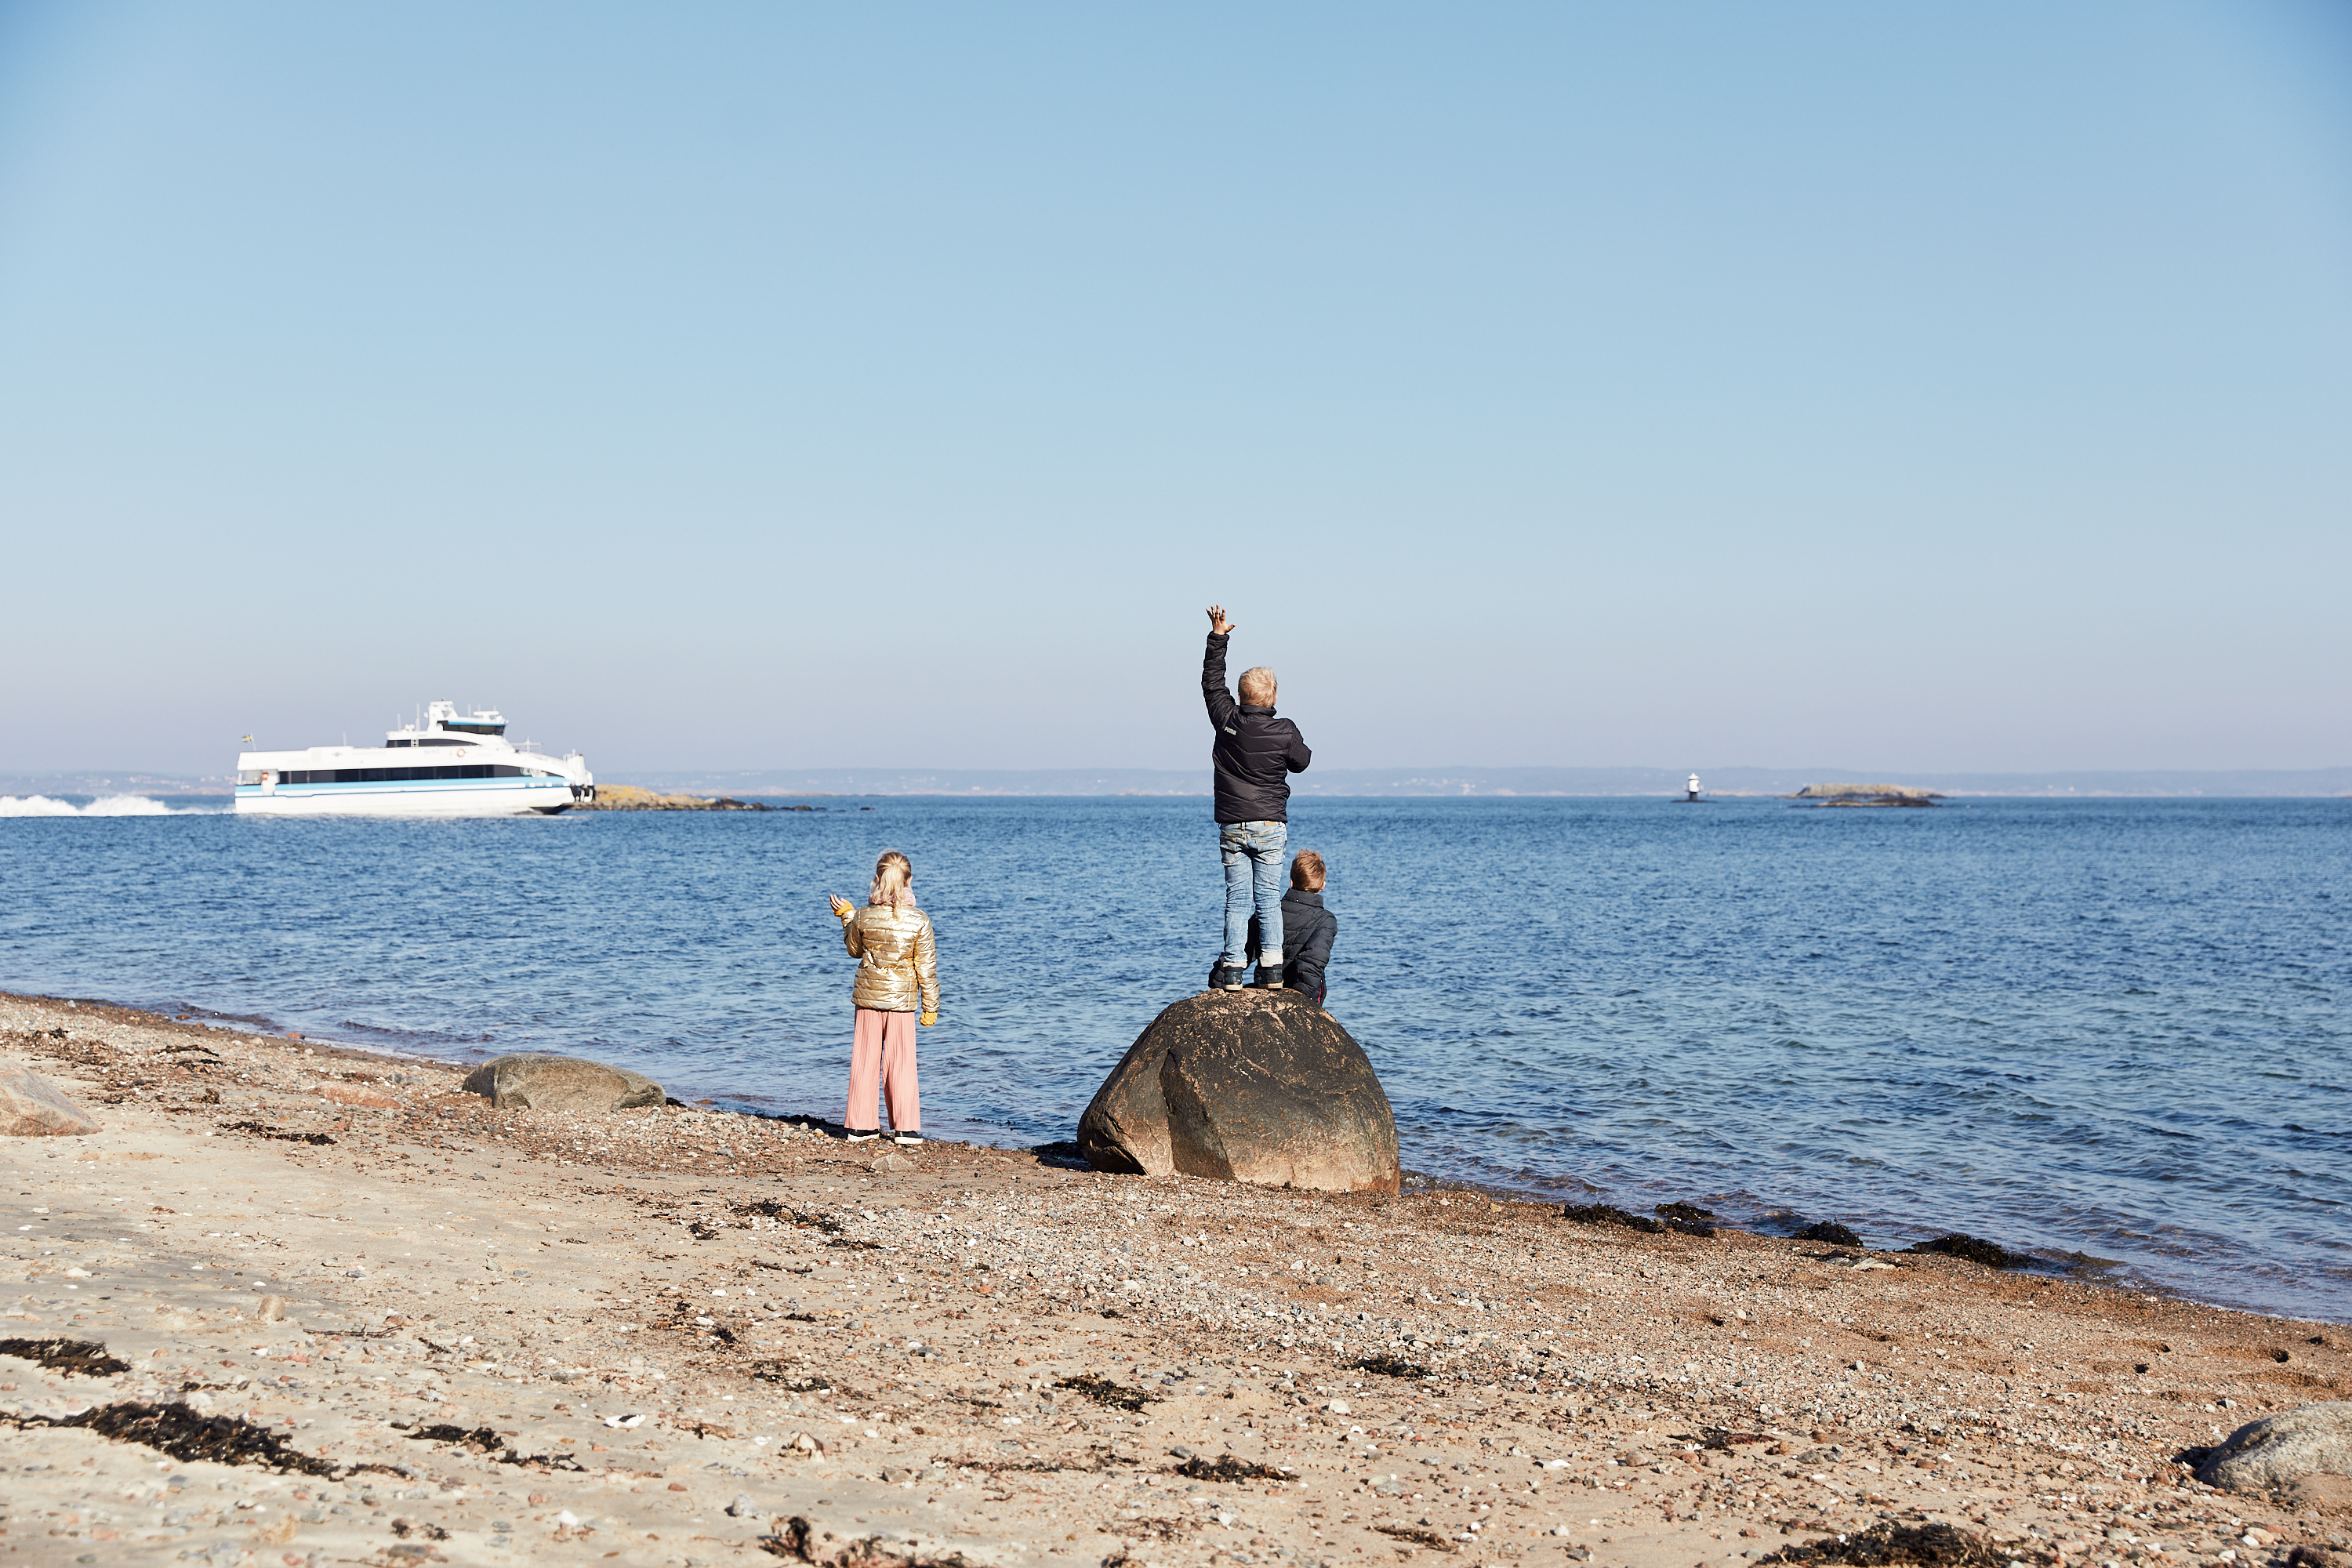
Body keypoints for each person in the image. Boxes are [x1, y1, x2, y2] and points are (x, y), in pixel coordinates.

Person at [1203, 604, 1312, 990]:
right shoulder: (1284, 730)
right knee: (1267, 898)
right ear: (1273, 697)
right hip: (1269, 825)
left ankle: (1233, 968)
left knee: (1236, 898)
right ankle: (1271, 969)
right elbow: (1302, 762)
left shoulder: (1227, 720)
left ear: (1241, 695)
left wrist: (1218, 636)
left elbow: (1212, 684)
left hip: (1233, 823)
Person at [828, 851, 938, 1147]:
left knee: (865, 1058)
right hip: (901, 1001)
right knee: (901, 1062)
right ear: (909, 881)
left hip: (867, 997)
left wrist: (847, 916)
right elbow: (926, 967)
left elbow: (854, 950)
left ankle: (861, 1127)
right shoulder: (919, 920)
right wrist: (931, 1006)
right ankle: (906, 1130)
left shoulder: (863, 914)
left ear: (877, 878)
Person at [1212, 849, 1341, 1003]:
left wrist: (1218, 979)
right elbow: (1311, 964)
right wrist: (1304, 1004)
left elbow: (1243, 947)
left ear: (1291, 881)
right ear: (1322, 886)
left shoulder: (1269, 911)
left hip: (1264, 986)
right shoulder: (1325, 920)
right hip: (1301, 993)